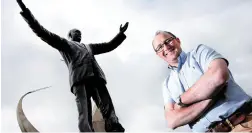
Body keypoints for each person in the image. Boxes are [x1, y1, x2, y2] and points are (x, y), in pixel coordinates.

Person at [16, 0, 128, 132]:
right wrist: (26, 12)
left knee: (107, 106)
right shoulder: (64, 44)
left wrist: (120, 35)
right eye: (76, 32)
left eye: (80, 33)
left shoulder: (89, 47)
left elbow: (108, 46)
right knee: (84, 113)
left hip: (97, 78)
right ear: (69, 35)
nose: (79, 34)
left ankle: (113, 126)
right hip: (80, 80)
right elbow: (41, 31)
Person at [152, 30, 252, 132]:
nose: (165, 47)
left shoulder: (200, 52)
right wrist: (210, 98)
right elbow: (172, 121)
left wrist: (181, 102)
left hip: (241, 125)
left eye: (168, 41)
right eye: (159, 47)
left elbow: (219, 76)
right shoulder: (167, 85)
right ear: (158, 54)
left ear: (178, 40)